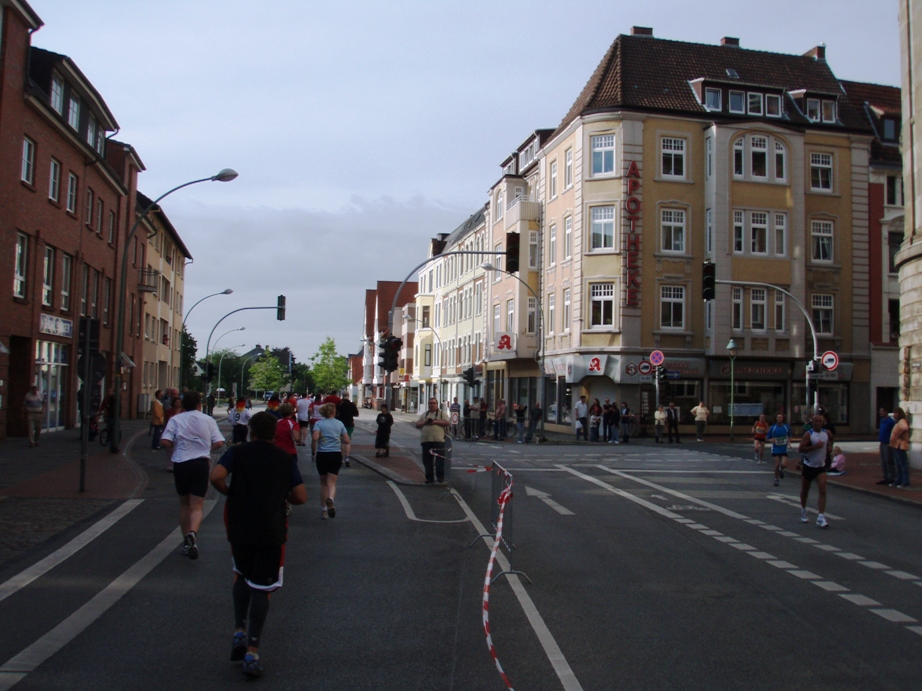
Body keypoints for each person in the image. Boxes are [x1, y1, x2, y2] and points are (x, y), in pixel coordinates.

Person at [210, 411, 307, 678]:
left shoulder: (238, 453)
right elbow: (301, 496)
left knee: (240, 574)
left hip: (239, 525)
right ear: (274, 433)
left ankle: (239, 630)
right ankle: (252, 651)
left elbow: (216, 476)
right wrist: (281, 496)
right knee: (262, 587)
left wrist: (230, 493)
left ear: (251, 430)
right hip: (270, 528)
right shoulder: (284, 459)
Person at [160, 391, 225, 558]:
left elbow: (165, 441)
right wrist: (205, 448)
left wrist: (175, 446)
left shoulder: (176, 420)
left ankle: (186, 541)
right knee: (197, 505)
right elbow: (219, 442)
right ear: (199, 404)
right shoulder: (208, 420)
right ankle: (193, 534)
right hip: (200, 463)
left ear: (182, 405)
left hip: (181, 464)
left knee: (184, 504)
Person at [312, 403, 351, 518]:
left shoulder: (319, 423)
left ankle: (324, 510)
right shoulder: (339, 424)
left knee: (323, 483)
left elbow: (314, 438)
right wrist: (337, 438)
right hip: (335, 454)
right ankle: (331, 499)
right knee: (332, 483)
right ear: (334, 412)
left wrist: (314, 452)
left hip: (323, 454)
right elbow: (347, 440)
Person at [797, 414, 833, 528]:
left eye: (820, 421)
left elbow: (831, 439)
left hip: (820, 466)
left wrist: (830, 446)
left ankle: (821, 516)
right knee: (805, 490)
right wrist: (815, 446)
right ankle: (803, 509)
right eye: (816, 421)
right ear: (812, 423)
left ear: (823, 423)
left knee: (822, 490)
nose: (818, 423)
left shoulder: (826, 433)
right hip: (809, 465)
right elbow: (800, 449)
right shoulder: (809, 435)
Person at [416, 396, 449, 484]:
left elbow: (447, 422)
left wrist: (435, 422)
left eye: (434, 403)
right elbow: (418, 424)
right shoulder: (424, 414)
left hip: (438, 441)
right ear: (428, 405)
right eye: (430, 403)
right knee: (427, 460)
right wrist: (425, 422)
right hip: (426, 441)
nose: (432, 405)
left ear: (437, 404)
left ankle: (440, 477)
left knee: (439, 460)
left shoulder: (442, 413)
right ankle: (429, 477)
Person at [767, 413, 792, 487]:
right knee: (777, 465)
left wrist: (789, 442)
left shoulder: (786, 427)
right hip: (775, 449)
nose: (779, 419)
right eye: (778, 417)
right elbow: (768, 438)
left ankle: (782, 469)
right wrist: (772, 440)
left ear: (783, 419)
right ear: (776, 418)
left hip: (784, 449)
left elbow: (790, 436)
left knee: (784, 464)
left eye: (781, 417)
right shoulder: (773, 428)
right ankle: (776, 479)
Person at [889, 407, 911, 488]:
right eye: (894, 413)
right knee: (898, 464)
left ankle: (905, 482)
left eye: (896, 413)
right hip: (896, 445)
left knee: (902, 464)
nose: (894, 415)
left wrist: (899, 434)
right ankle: (898, 480)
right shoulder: (897, 422)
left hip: (900, 446)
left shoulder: (902, 421)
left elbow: (905, 428)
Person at [336, 394, 359, 467]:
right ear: (348, 396)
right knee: (348, 441)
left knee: (342, 442)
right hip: (349, 424)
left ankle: (341, 459)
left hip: (341, 424)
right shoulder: (352, 404)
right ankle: (347, 459)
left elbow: (336, 414)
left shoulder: (339, 404)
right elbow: (356, 414)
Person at [877, 407, 897, 485]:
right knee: (883, 461)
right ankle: (885, 476)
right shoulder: (882, 420)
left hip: (888, 443)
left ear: (886, 412)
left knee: (888, 460)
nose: (880, 413)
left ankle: (891, 477)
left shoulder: (890, 421)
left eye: (882, 411)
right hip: (882, 442)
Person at [308, 393, 324, 459]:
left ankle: (313, 453)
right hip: (322, 421)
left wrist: (309, 416)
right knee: (322, 438)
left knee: (314, 439)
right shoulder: (323, 405)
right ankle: (321, 451)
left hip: (314, 421)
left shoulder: (312, 404)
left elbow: (310, 410)